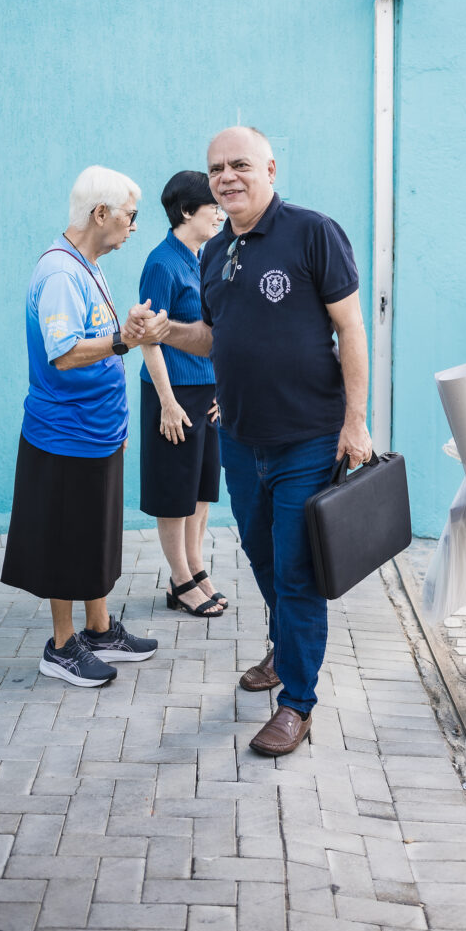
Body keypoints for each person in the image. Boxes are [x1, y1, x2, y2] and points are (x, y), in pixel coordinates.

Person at [162, 126, 372, 755]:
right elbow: (214, 337)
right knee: (261, 556)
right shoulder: (213, 252)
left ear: (270, 169)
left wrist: (355, 420)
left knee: (296, 570)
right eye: (216, 169)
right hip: (240, 438)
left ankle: (298, 703)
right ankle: (286, 649)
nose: (226, 177)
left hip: (308, 437)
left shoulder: (313, 232)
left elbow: (351, 328)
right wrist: (166, 330)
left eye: (240, 165)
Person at [1, 166, 169, 687]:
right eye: (130, 216)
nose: (133, 226)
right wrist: (123, 340)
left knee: (94, 535)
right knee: (66, 538)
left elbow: (103, 336)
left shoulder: (87, 265)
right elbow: (66, 353)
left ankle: (98, 629)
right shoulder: (60, 274)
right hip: (65, 435)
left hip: (97, 432)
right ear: (100, 214)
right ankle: (61, 646)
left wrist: (127, 332)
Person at [139, 171, 227, 617]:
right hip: (172, 393)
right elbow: (149, 338)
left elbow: (216, 330)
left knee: (201, 488)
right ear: (188, 211)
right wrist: (168, 402)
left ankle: (195, 567)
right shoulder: (161, 263)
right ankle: (179, 579)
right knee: (175, 490)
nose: (220, 213)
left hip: (207, 392)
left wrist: (221, 388)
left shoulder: (204, 257)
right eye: (213, 205)